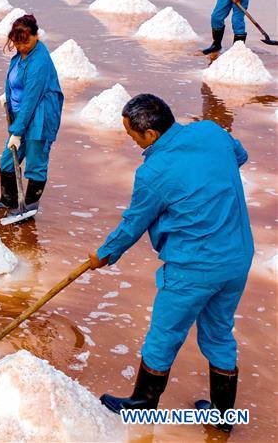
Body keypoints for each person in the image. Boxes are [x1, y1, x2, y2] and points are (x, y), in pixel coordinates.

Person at [90, 94, 253, 434]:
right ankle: (223, 419)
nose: (131, 140)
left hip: (193, 266)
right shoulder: (210, 132)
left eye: (132, 133)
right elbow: (241, 155)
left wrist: (105, 253)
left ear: (150, 134)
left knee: (164, 335)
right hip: (236, 257)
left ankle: (143, 404)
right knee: (219, 332)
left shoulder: (154, 172)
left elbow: (134, 223)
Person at [0, 14, 63, 217]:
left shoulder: (39, 62)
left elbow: (31, 99)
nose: (22, 47)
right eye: (17, 43)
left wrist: (18, 132)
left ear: (36, 36)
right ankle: (8, 201)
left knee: (35, 164)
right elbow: (16, 81)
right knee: (7, 160)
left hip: (40, 116)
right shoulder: (21, 56)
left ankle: (27, 211)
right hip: (22, 115)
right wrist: (9, 95)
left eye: (26, 42)